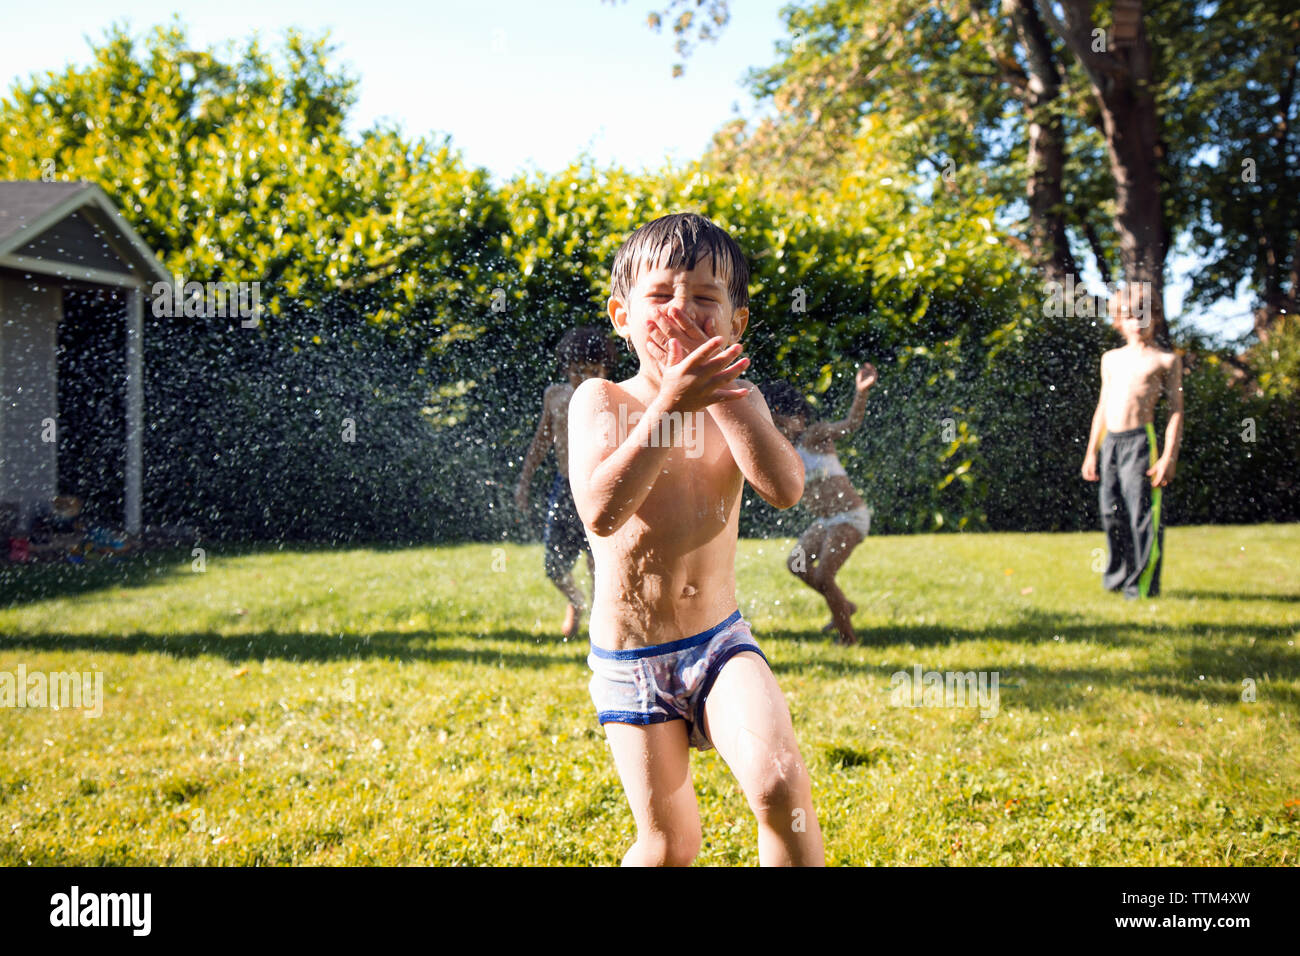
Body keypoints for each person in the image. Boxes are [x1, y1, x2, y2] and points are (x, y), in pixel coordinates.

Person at [567, 212, 824, 866]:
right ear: (622, 316)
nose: (682, 310)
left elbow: (785, 488)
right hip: (634, 663)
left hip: (718, 643)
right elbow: (601, 511)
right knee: (669, 843)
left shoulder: (743, 400)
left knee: (779, 785)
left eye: (705, 299)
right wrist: (672, 403)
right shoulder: (600, 401)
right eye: (661, 296)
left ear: (736, 323)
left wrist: (722, 396)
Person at [1082, 282, 1184, 599]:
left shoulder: (1165, 361)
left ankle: (1142, 586)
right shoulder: (1110, 359)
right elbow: (1102, 406)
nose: (1137, 322)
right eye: (1130, 316)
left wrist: (1168, 456)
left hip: (1142, 441)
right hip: (1111, 441)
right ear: (1119, 321)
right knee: (1110, 512)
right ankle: (1118, 578)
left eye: (1144, 315)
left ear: (1154, 318)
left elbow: (1177, 412)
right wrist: (1091, 453)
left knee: (1143, 515)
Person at [764, 365, 877, 645]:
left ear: (800, 418)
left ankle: (847, 637)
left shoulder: (815, 435)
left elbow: (850, 424)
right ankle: (843, 606)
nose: (777, 429)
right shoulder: (785, 450)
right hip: (826, 522)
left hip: (849, 517)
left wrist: (861, 394)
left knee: (825, 575)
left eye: (781, 421)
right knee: (797, 564)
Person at [515, 327, 615, 638]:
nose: (585, 379)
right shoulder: (556, 397)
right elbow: (542, 440)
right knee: (553, 566)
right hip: (567, 487)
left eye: (593, 371)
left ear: (606, 370)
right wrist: (525, 480)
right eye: (576, 372)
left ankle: (602, 624)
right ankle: (576, 601)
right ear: (565, 369)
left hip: (601, 487)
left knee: (598, 562)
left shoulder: (613, 396)